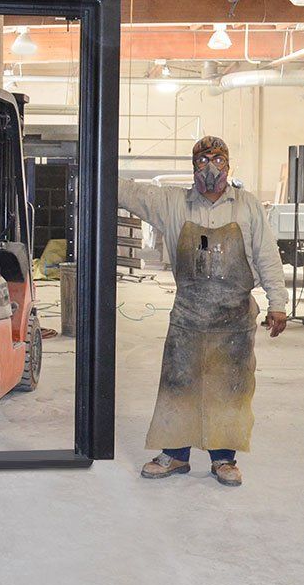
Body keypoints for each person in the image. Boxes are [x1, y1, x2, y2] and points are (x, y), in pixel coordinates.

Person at [119, 136, 287, 487]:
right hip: (188, 318)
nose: (210, 167)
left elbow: (267, 256)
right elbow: (128, 192)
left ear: (229, 164)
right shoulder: (171, 202)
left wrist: (277, 304)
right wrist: (92, 164)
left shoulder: (248, 205)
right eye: (202, 160)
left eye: (218, 160)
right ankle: (176, 455)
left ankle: (224, 459)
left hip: (234, 319)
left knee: (230, 388)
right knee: (179, 385)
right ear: (192, 165)